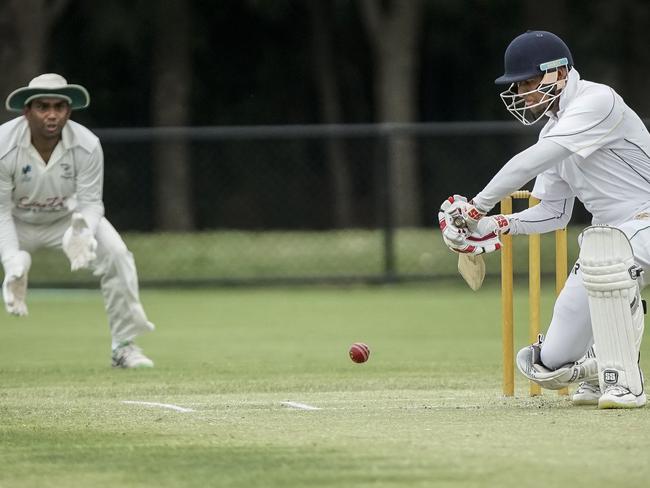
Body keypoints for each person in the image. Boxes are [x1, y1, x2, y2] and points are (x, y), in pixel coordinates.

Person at [438, 30, 650, 409]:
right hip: (613, 236)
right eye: (518, 85)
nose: (522, 93)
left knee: (608, 251)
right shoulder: (554, 129)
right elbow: (554, 212)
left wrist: (476, 208)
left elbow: (530, 161)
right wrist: (495, 225)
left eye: (528, 82)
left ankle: (623, 381)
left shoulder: (597, 100)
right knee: (551, 363)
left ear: (559, 73)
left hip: (642, 221)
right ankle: (599, 365)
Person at [0, 73, 155, 368]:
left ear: (68, 111)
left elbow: (92, 202)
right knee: (14, 258)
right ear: (27, 111)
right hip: (15, 221)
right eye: (43, 106)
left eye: (59, 107)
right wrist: (11, 261)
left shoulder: (87, 144)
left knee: (118, 255)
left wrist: (82, 232)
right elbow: (0, 211)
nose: (52, 115)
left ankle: (123, 347)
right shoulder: (3, 145)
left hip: (67, 221)